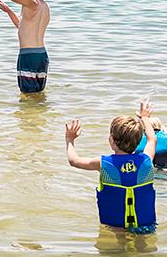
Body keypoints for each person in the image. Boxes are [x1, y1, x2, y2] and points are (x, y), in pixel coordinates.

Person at [65, 98, 157, 234]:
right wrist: (144, 117)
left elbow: (74, 160)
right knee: (144, 252)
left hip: (114, 226)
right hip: (145, 225)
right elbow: (152, 139)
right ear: (138, 142)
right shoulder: (146, 161)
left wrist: (69, 140)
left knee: (115, 252)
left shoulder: (104, 164)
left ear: (112, 140)